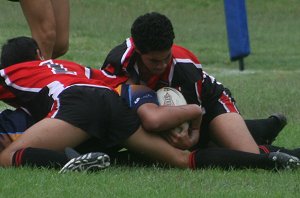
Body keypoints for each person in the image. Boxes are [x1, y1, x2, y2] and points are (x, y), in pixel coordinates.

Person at [0, 36, 299, 172]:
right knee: (181, 159)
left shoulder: (13, 72)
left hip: (77, 106)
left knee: (9, 155)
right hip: (111, 101)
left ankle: (67, 163)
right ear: (40, 54)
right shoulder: (70, 66)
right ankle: (272, 159)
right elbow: (114, 87)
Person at [101, 12, 290, 155]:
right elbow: (114, 107)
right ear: (138, 51)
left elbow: (191, 125)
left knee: (247, 156)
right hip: (161, 111)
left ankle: (280, 148)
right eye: (154, 61)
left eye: (167, 57)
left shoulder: (185, 68)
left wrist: (191, 136)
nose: (162, 65)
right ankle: (261, 128)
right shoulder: (118, 62)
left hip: (210, 103)